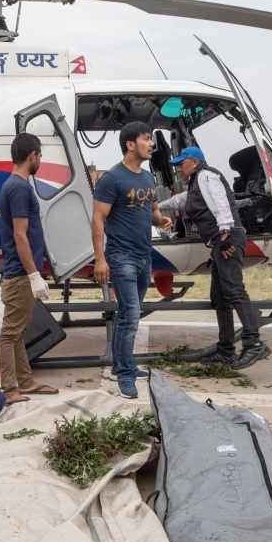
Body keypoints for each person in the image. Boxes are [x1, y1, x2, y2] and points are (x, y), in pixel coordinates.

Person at [156, 146, 269, 369]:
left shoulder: (208, 175)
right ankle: (226, 350)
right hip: (220, 241)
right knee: (220, 297)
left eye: (182, 163)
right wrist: (155, 207)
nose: (178, 168)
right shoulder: (196, 182)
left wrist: (225, 236)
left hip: (227, 239)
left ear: (195, 162)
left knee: (235, 291)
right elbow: (181, 200)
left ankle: (254, 343)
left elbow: (222, 205)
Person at [91, 122, 172, 399]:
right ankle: (125, 376)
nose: (152, 144)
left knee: (129, 315)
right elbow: (98, 219)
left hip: (143, 255)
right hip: (121, 256)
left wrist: (161, 220)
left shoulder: (147, 178)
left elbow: (152, 209)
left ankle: (122, 365)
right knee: (131, 315)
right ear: (130, 144)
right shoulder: (112, 179)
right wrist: (100, 259)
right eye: (146, 139)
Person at [0, 133, 57, 405]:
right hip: (20, 273)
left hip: (19, 272)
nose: (40, 160)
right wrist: (33, 275)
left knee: (17, 331)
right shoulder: (19, 188)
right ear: (32, 155)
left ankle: (25, 381)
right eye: (40, 155)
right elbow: (20, 235)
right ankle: (10, 390)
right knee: (10, 333)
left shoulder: (14, 185)